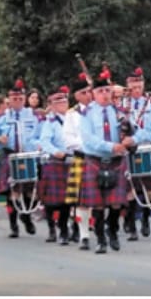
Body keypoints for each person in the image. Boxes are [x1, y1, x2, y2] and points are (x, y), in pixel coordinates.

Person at [80, 72, 148, 254]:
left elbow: (142, 132)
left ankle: (112, 229)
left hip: (117, 161)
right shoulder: (86, 114)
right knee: (98, 204)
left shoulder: (120, 112)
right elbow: (88, 140)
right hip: (95, 160)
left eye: (107, 91)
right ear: (93, 94)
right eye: (100, 91)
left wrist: (132, 140)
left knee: (117, 203)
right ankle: (101, 239)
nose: (104, 94)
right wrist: (111, 146)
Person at [0, 79, 42, 238]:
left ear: (24, 99)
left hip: (28, 156)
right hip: (10, 156)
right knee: (12, 193)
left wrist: (38, 145)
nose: (17, 101)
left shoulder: (33, 116)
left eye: (20, 98)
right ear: (9, 100)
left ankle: (26, 217)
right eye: (14, 98)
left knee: (29, 191)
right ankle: (13, 225)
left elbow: (40, 135)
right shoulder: (2, 118)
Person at [123, 67, 151, 240]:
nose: (136, 90)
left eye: (139, 86)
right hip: (128, 150)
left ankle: (146, 218)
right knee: (130, 188)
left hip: (146, 148)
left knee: (149, 187)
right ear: (128, 86)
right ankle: (131, 224)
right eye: (133, 87)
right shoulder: (122, 105)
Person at [38, 85, 73, 245]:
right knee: (51, 201)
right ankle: (52, 228)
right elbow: (45, 141)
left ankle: (65, 231)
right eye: (58, 103)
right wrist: (56, 152)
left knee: (69, 200)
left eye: (64, 101)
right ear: (52, 106)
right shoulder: (50, 122)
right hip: (56, 162)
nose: (62, 105)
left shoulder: (74, 119)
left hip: (72, 160)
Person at [63, 73, 93, 250]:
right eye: (84, 92)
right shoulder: (71, 115)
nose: (88, 95)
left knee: (101, 201)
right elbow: (69, 140)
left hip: (100, 158)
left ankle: (101, 230)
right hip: (82, 157)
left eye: (89, 91)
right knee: (82, 201)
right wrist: (89, 145)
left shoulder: (100, 111)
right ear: (76, 96)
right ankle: (84, 235)